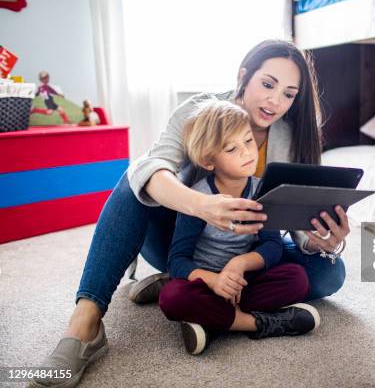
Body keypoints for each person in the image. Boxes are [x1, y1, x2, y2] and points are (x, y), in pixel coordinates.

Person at [32, 40, 349, 388]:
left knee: (327, 274)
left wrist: (319, 239)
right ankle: (86, 323)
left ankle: (196, 295)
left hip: (246, 252)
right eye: (268, 84)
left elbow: (292, 222)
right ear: (245, 75)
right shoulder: (200, 111)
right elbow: (152, 168)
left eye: (289, 94)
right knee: (135, 176)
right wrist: (202, 206)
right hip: (181, 240)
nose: (275, 102)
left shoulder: (293, 132)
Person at [159, 100, 320, 355]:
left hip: (244, 282)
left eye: (248, 141)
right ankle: (256, 322)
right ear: (209, 161)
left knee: (297, 278)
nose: (247, 152)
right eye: (232, 148)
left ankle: (212, 324)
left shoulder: (262, 191)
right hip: (207, 282)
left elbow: (272, 245)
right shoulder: (199, 199)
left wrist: (240, 264)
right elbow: (177, 261)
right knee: (172, 297)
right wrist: (215, 280)